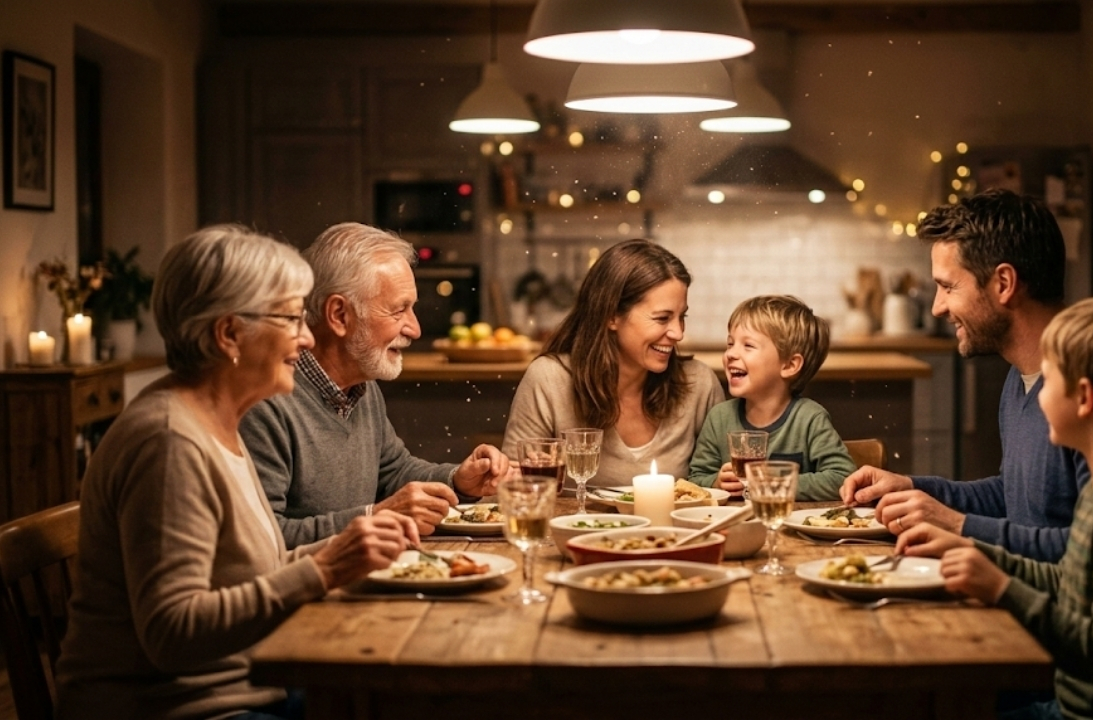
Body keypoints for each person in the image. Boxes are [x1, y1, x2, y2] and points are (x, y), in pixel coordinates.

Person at [56, 225, 420, 720]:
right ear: (229, 334)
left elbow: (247, 567)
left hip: (254, 684)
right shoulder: (169, 440)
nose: (308, 337)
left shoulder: (217, 418)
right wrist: (326, 569)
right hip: (187, 709)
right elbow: (171, 634)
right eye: (292, 319)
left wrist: (344, 548)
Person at [895, 295, 1093, 720]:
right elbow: (1072, 579)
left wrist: (1002, 589)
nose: (1036, 393)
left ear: (1084, 398)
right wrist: (976, 555)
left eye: (1048, 377)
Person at [839, 189, 1093, 561]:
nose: (938, 308)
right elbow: (1014, 497)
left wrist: (959, 526)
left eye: (948, 286)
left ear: (1004, 283)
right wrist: (912, 489)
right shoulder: (1021, 376)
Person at [240, 222, 511, 548]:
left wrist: (458, 481)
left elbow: (393, 471)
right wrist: (374, 517)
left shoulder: (361, 387)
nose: (415, 329)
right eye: (399, 310)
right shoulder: (265, 402)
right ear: (339, 315)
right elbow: (265, 541)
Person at [503, 239, 724, 482]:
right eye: (662, 318)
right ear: (612, 316)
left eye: (681, 317)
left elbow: (722, 488)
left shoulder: (699, 383)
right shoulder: (549, 379)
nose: (678, 333)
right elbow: (513, 489)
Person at [688, 295, 854, 500]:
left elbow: (843, 478)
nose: (731, 354)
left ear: (789, 365)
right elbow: (695, 478)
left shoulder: (809, 418)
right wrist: (716, 482)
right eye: (730, 344)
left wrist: (772, 483)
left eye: (748, 346)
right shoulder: (719, 418)